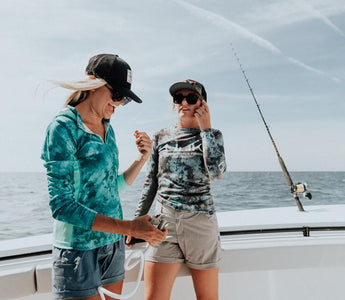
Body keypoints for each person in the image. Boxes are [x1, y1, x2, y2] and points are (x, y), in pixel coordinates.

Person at [41, 54, 167, 300]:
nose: (119, 104)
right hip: (77, 251)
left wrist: (141, 159)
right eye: (117, 95)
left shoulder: (108, 128)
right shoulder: (63, 128)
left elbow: (109, 187)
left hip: (112, 247)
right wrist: (130, 227)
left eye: (124, 99)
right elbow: (62, 206)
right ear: (93, 83)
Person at [133, 79, 227, 300]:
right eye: (178, 98)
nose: (184, 102)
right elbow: (151, 182)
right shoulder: (160, 137)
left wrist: (206, 129)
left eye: (191, 98)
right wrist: (137, 221)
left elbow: (217, 172)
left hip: (201, 224)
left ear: (201, 104)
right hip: (164, 223)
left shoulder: (213, 135)